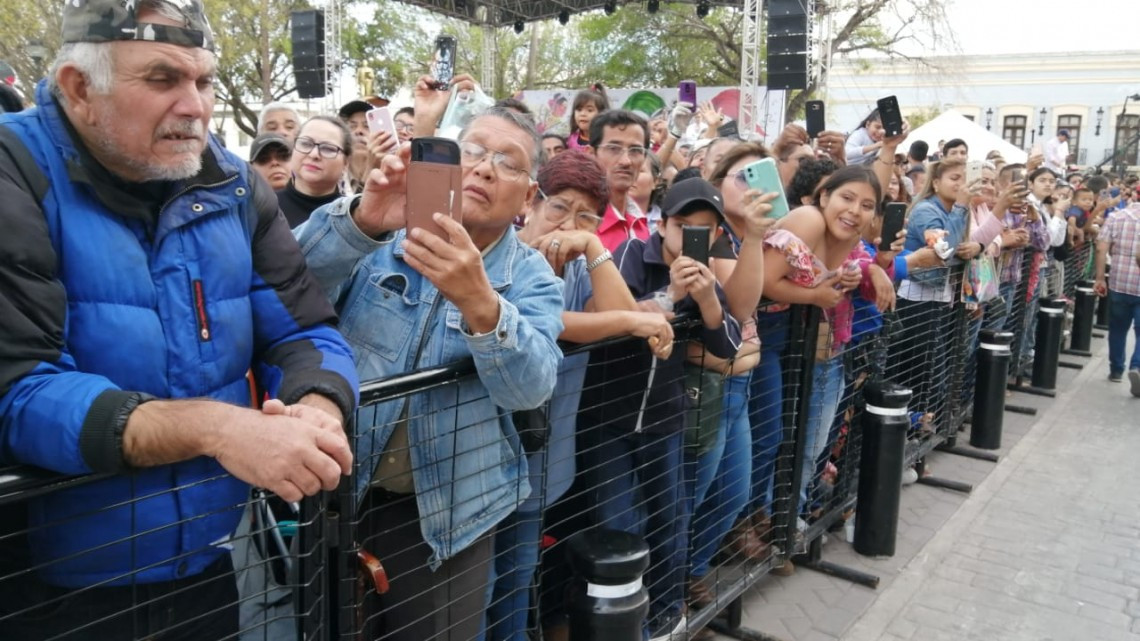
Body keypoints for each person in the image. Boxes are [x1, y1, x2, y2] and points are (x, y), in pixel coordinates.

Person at [0, 2, 359, 639]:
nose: (195, 106)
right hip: (52, 585)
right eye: (162, 79)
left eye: (205, 80)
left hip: (209, 562)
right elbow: (18, 390)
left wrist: (318, 406)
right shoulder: (14, 172)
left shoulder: (234, 184)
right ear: (79, 88)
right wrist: (216, 428)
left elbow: (305, 331)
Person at [296, 104, 565, 641]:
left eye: (507, 162)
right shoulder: (381, 239)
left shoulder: (531, 276)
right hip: (338, 491)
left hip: (451, 513)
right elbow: (287, 288)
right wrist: (360, 222)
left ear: (528, 196)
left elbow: (532, 386)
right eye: (473, 151)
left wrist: (482, 304)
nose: (484, 168)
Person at [489, 149, 674, 641]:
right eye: (559, 207)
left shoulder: (576, 262)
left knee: (519, 576)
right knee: (486, 585)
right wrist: (630, 318)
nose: (568, 224)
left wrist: (592, 246)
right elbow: (544, 324)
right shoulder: (501, 253)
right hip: (491, 456)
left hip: (548, 458)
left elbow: (614, 316)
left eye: (587, 215)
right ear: (531, 202)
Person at [576, 177, 741, 641]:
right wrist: (670, 295)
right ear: (662, 224)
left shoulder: (706, 277)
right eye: (683, 225)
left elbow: (727, 346)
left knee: (671, 521)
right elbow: (606, 315)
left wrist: (706, 299)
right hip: (608, 419)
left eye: (703, 230)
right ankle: (621, 628)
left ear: (716, 235)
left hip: (666, 419)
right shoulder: (631, 254)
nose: (691, 237)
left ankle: (667, 615)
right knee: (617, 524)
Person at [1094, 200, 1140, 393]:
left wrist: (1099, 278)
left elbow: (1101, 249)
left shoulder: (1116, 217)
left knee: (1118, 328)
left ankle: (1116, 369)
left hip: (1120, 281)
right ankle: (1137, 366)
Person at [591, 109, 651, 252]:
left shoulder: (641, 224)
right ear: (592, 154)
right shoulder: (581, 223)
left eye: (635, 150)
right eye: (614, 148)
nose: (626, 161)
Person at [277, 115, 350, 227]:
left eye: (328, 148)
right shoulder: (264, 208)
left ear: (346, 163)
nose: (314, 154)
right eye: (306, 144)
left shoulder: (353, 217)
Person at [567, 85, 608, 151]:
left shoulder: (607, 140)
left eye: (589, 110)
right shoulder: (570, 140)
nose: (583, 114)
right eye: (579, 110)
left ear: (601, 113)